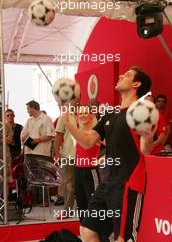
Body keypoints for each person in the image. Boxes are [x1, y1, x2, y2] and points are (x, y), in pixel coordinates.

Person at [64, 66, 154, 242]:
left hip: (128, 185)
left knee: (124, 238)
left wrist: (148, 133)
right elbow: (88, 140)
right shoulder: (111, 114)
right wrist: (69, 124)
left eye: (127, 75)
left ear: (136, 84)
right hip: (107, 184)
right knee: (87, 229)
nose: (121, 75)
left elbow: (145, 149)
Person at [21, 100, 54, 206]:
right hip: (29, 151)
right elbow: (24, 133)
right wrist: (24, 138)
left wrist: (38, 140)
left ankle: (45, 201)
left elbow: (51, 135)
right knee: (30, 176)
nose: (27, 111)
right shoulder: (29, 120)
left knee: (42, 176)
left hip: (41, 152)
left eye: (28, 109)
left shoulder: (46, 119)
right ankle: (33, 200)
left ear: (33, 108)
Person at [75, 106, 100, 222]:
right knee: (81, 202)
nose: (83, 115)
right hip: (78, 170)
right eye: (80, 113)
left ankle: (95, 232)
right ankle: (84, 230)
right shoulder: (78, 132)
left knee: (93, 202)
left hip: (91, 171)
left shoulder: (96, 132)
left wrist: (100, 159)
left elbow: (110, 146)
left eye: (86, 113)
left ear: (91, 115)